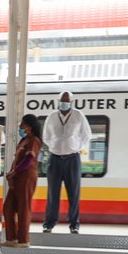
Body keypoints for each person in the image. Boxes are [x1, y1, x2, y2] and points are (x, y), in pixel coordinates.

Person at [41, 91, 92, 234]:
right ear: (58, 101)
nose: (64, 102)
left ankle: (74, 223)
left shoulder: (78, 116)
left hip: (72, 159)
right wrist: (56, 145)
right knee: (52, 193)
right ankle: (49, 222)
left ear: (71, 101)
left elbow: (86, 135)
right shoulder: (51, 117)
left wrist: (74, 146)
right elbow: (46, 136)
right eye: (62, 100)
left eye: (67, 100)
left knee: (74, 193)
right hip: (54, 159)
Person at [3, 114, 42, 247]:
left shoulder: (34, 141)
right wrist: (12, 173)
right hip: (16, 177)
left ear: (28, 126)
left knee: (23, 207)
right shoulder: (24, 140)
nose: (20, 125)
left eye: (22, 123)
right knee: (8, 207)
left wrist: (14, 172)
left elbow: (28, 160)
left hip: (26, 177)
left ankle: (23, 240)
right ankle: (11, 238)